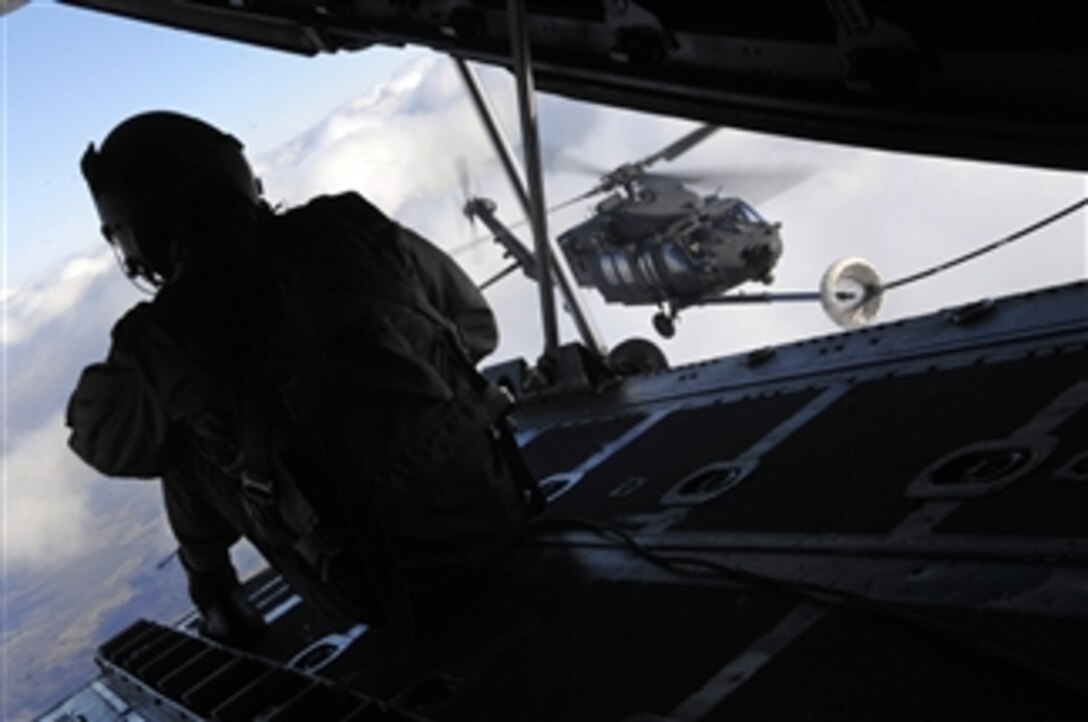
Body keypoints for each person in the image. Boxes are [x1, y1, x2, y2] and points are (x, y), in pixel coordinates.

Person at [67, 111, 535, 648]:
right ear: (236, 173)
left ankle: (222, 607)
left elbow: (102, 441)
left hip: (381, 587)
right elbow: (475, 330)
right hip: (500, 504)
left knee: (179, 451)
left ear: (132, 234)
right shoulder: (353, 224)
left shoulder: (159, 336)